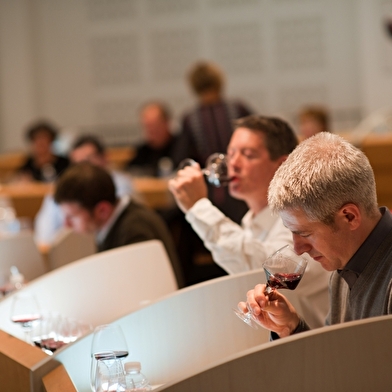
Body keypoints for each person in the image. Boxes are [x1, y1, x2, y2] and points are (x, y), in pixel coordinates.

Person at [169, 115, 331, 328]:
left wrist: (199, 208)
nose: (233, 164)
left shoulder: (303, 220)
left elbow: (267, 270)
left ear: (282, 165)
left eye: (248, 155)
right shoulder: (249, 223)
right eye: (231, 153)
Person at [239, 132, 392, 338]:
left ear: (349, 216)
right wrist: (290, 328)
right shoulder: (342, 267)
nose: (297, 248)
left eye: (304, 233)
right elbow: (338, 361)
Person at [54, 162, 184, 287]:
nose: (67, 224)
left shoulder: (135, 230)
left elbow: (140, 292)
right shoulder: (110, 224)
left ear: (102, 211)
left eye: (72, 216)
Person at [34, 135, 136, 246]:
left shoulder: (120, 185)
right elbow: (44, 235)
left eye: (87, 161)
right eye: (76, 163)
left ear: (104, 158)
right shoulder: (66, 187)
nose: (82, 168)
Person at [127, 101, 179, 178]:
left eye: (155, 126)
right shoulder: (142, 151)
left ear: (167, 123)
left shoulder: (181, 147)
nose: (151, 130)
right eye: (148, 126)